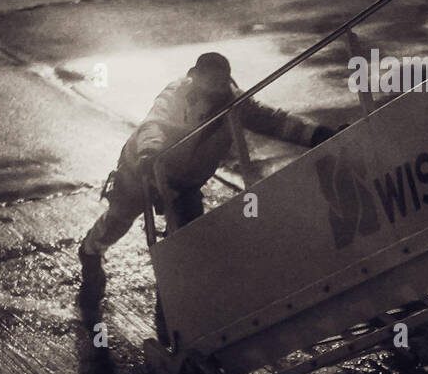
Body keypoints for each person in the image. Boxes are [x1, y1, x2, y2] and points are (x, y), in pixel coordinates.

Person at [78, 51, 335, 282]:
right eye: (212, 82)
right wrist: (149, 152)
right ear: (195, 77)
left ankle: (174, 302)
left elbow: (274, 121)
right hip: (144, 167)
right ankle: (91, 251)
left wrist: (316, 134)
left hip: (186, 180)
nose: (218, 88)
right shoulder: (176, 95)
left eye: (223, 82)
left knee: (187, 239)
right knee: (119, 219)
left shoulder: (234, 103)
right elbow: (154, 124)